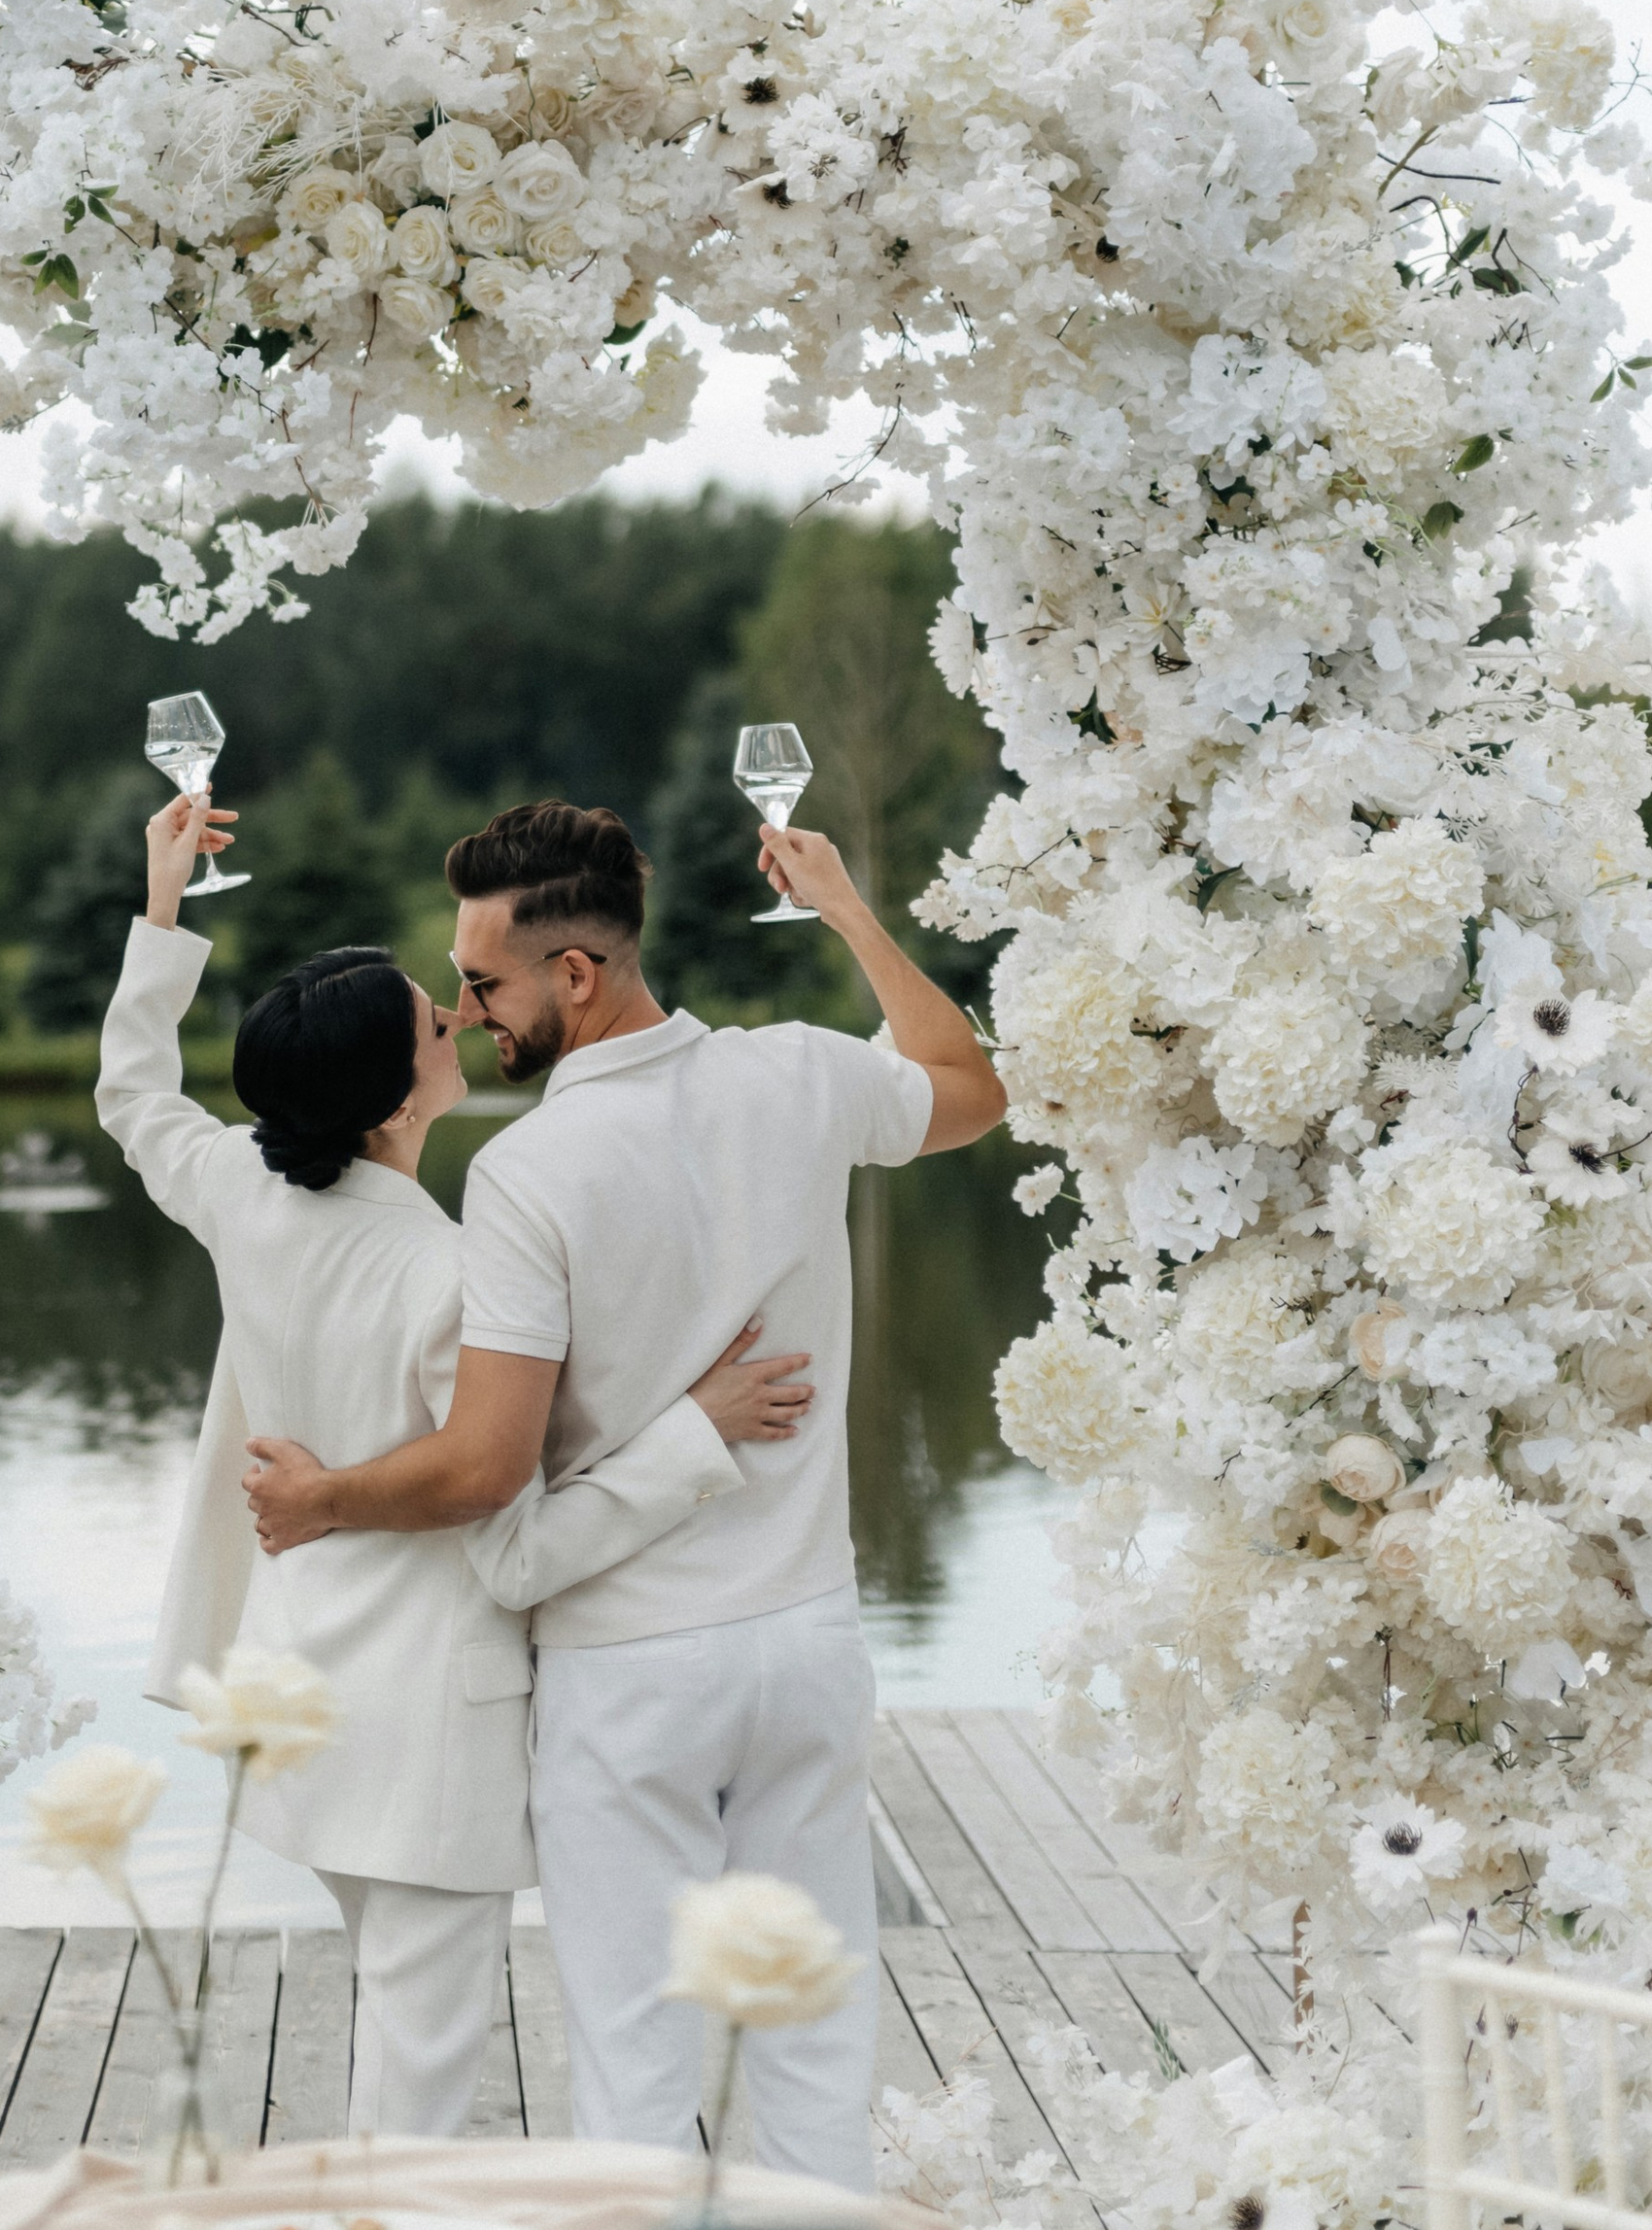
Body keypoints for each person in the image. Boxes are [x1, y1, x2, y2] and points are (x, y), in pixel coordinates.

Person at [243, 797, 1006, 2195]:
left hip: (628, 1670)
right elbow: (969, 1085)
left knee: (636, 2070)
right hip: (807, 1639)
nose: (470, 1016)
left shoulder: (527, 1175)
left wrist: (328, 1498)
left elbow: (483, 1473)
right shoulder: (799, 1074)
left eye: (482, 984)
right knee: (815, 2039)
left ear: (575, 975)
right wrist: (845, 908)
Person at [94, 785, 821, 2142]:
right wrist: (694, 1437)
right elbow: (513, 1540)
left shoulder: (240, 1199)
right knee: (418, 2071)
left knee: (397, 2033)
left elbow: (133, 1092)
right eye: (438, 1022)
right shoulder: (449, 1273)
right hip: (426, 1731)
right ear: (399, 1091)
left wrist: (163, 902)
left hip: (298, 1695)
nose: (461, 1014)